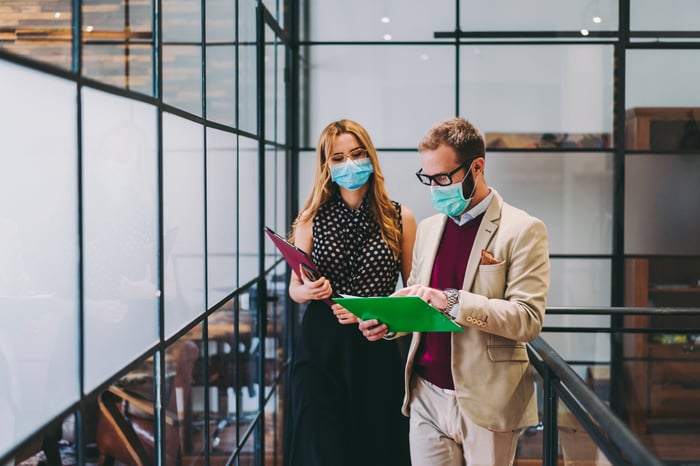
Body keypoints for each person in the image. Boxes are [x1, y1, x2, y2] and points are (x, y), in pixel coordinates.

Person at [360, 117, 550, 466]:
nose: (434, 188)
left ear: (476, 167)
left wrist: (452, 300)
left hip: (488, 399)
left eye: (443, 178)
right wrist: (391, 324)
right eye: (427, 179)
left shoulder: (523, 230)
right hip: (426, 395)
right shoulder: (429, 229)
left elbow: (528, 320)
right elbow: (421, 306)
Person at [283, 119, 416, 466]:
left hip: (376, 345)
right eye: (339, 157)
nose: (350, 164)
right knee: (322, 449)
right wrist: (308, 290)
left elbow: (414, 294)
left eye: (357, 154)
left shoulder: (401, 219)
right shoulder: (311, 218)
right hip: (320, 350)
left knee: (377, 448)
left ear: (371, 157)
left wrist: (380, 314)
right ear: (327, 166)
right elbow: (294, 289)